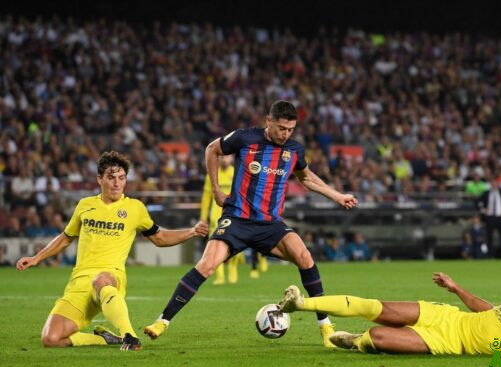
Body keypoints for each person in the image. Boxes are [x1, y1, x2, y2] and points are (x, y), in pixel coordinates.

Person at [144, 100, 358, 347]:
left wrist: (338, 196)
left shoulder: (294, 150)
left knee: (305, 256)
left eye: (290, 130)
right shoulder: (246, 138)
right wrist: (215, 189)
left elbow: (306, 178)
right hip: (236, 219)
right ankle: (162, 321)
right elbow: (211, 149)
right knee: (207, 264)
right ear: (269, 121)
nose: (285, 134)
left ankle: (326, 329)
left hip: (270, 225)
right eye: (281, 128)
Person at [16, 151, 208, 351]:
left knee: (101, 280)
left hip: (111, 276)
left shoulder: (135, 208)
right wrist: (37, 258)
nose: (117, 183)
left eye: (121, 178)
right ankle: (106, 339)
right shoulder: (85, 205)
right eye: (111, 177)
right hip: (79, 282)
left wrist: (192, 231)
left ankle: (129, 335)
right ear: (100, 179)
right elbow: (66, 237)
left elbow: (159, 237)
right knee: (51, 338)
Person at [277, 272, 501, 360]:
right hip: (447, 317)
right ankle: (301, 304)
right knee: (376, 308)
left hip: (448, 341)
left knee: (377, 337)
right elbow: (485, 308)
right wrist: (456, 288)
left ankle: (355, 341)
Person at [200, 154, 241, 284]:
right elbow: (206, 197)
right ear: (218, 159)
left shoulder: (237, 172)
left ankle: (233, 270)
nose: (224, 159)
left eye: (227, 157)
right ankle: (220, 276)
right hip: (216, 215)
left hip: (233, 213)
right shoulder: (212, 175)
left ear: (232, 159)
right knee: (215, 245)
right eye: (222, 157)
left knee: (235, 243)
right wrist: (203, 218)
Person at [476, 178, 501, 258]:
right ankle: (490, 255)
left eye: (496, 183)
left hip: (500, 217)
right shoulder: (486, 193)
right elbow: (477, 202)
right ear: (491, 184)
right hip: (490, 217)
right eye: (493, 183)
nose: (494, 185)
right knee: (489, 237)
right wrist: (483, 210)